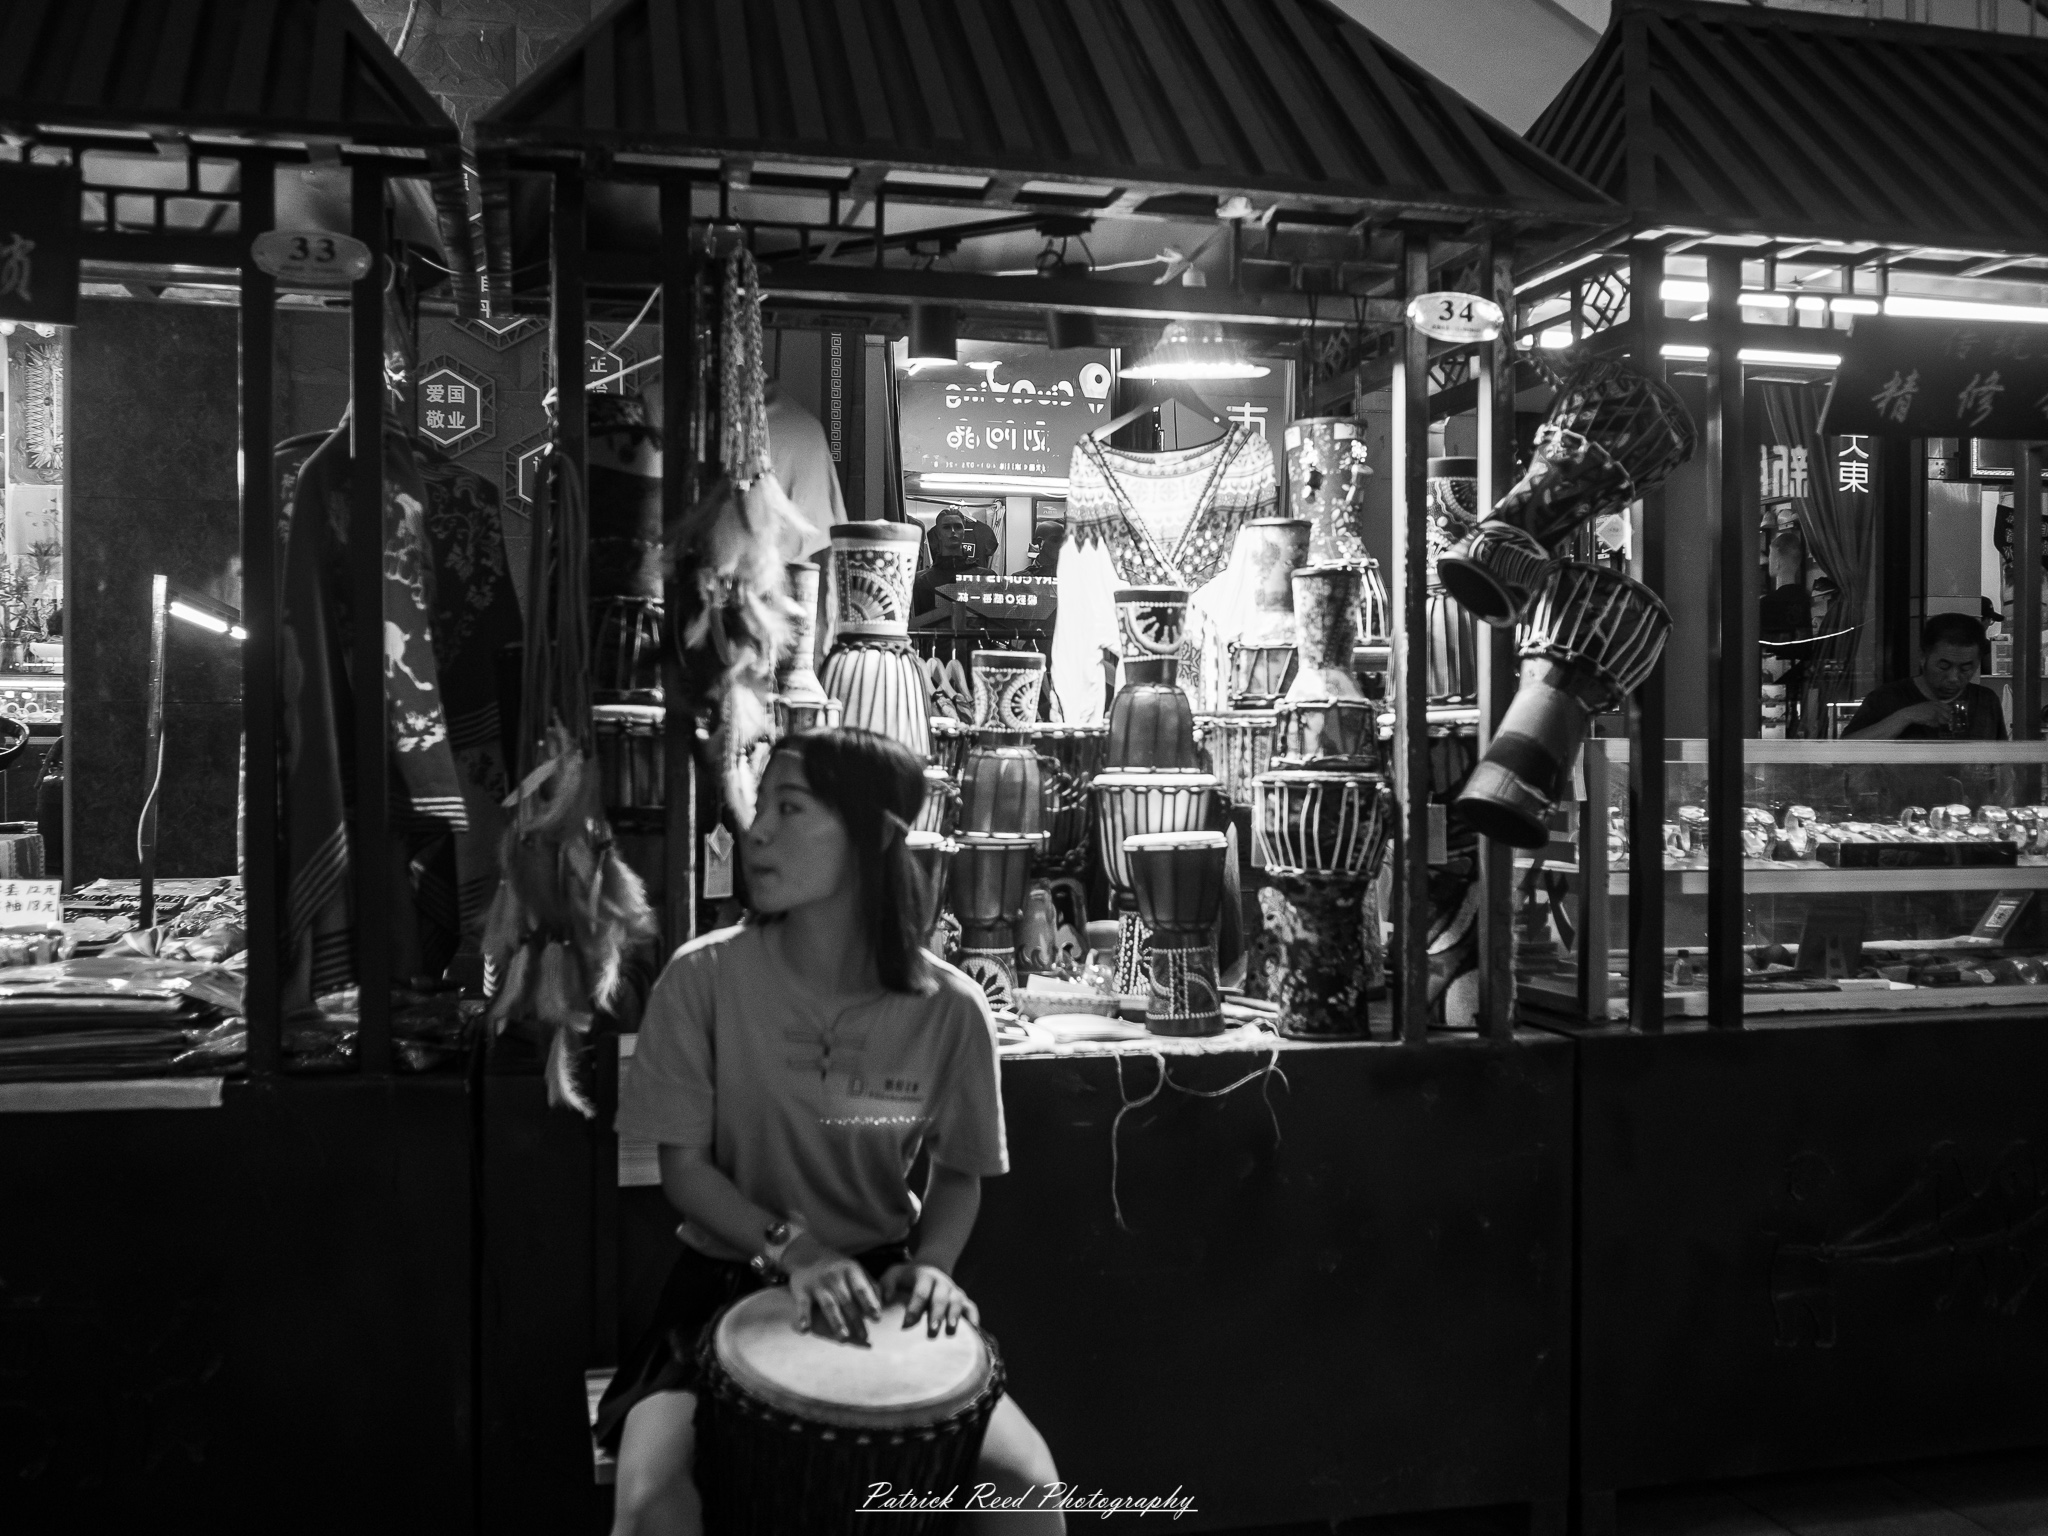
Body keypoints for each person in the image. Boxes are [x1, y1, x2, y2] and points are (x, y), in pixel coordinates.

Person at [598, 728, 1064, 1536]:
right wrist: (794, 1250)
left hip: (884, 1285)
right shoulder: (702, 980)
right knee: (649, 1501)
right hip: (726, 1280)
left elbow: (959, 1174)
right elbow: (686, 1172)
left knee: (1027, 1490)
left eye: (791, 808)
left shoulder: (951, 1010)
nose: (758, 832)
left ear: (873, 837)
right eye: (760, 807)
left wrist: (934, 1267)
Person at [1843, 612, 2006, 741]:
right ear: (1923, 657)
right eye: (1944, 666)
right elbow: (1843, 754)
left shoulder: (1986, 701)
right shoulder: (1886, 698)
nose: (1953, 677)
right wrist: (1905, 716)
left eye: (1966, 668)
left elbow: (2002, 763)